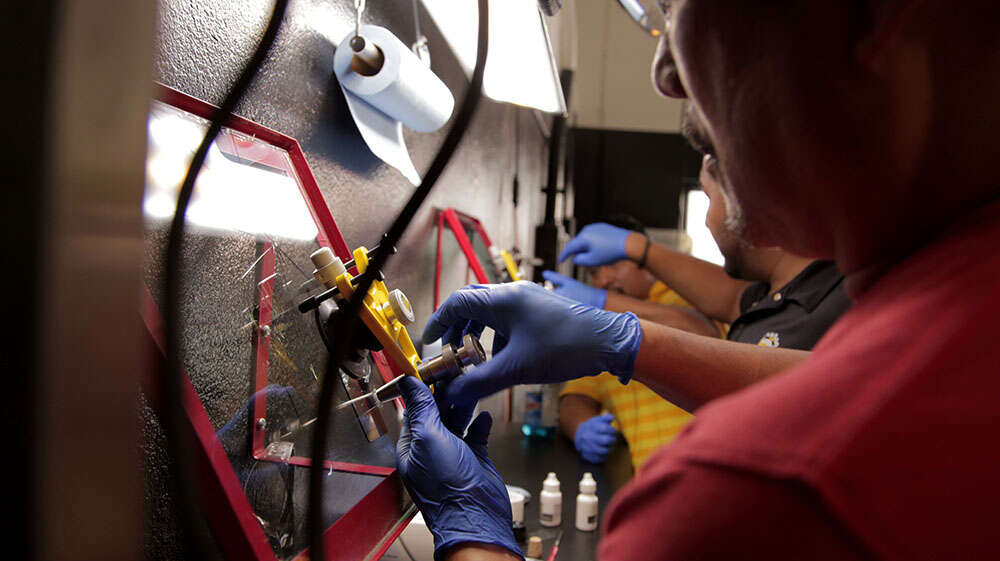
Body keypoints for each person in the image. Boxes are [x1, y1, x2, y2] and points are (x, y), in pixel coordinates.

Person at [398, 1, 1000, 559]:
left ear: (878, 16)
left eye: (683, 5)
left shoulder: (746, 493)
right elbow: (831, 373)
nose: (666, 74)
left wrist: (473, 529)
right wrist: (622, 339)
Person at [553, 215, 717, 468]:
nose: (604, 279)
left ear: (643, 260)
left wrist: (605, 302)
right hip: (654, 480)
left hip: (715, 470)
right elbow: (575, 397)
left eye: (614, 263)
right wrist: (582, 427)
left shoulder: (689, 298)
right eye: (595, 272)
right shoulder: (603, 332)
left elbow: (706, 337)